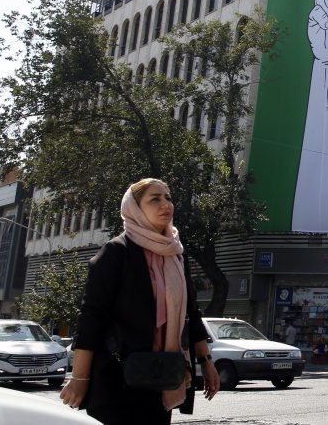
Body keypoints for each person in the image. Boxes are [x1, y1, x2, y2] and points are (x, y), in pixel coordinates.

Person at [60, 178, 220, 424]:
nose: (165, 204)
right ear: (134, 208)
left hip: (162, 377)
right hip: (119, 380)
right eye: (154, 199)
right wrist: (79, 378)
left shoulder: (175, 254)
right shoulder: (116, 252)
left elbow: (192, 313)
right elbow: (92, 317)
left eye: (168, 197)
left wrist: (206, 361)